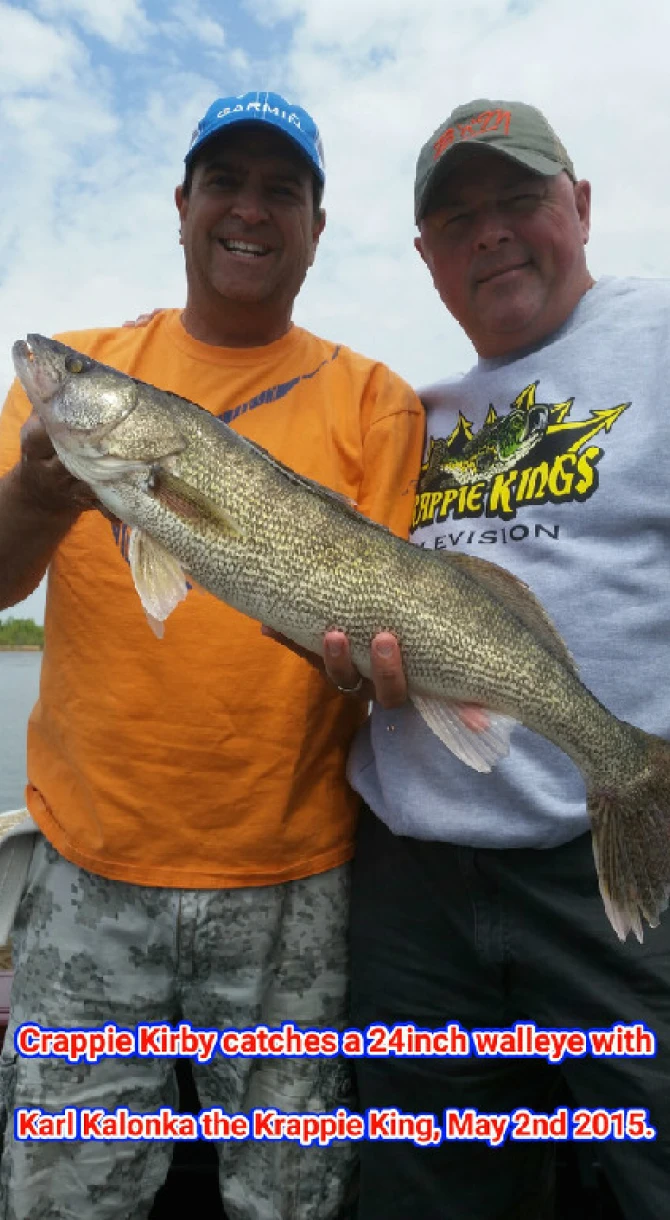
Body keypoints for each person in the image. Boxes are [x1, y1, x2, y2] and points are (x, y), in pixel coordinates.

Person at [0, 90, 425, 1219]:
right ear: (181, 204)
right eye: (223, 183)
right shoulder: (81, 377)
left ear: (317, 228)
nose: (249, 208)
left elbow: (384, 623)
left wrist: (381, 667)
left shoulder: (376, 400)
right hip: (88, 870)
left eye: (281, 190)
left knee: (292, 1199)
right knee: (63, 1197)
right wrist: (39, 492)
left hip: (296, 881)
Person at [325, 99, 670, 1219]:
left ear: (582, 206)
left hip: (602, 865)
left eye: (518, 199)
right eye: (455, 220)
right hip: (412, 888)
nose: (490, 233)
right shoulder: (411, 417)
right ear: (425, 257)